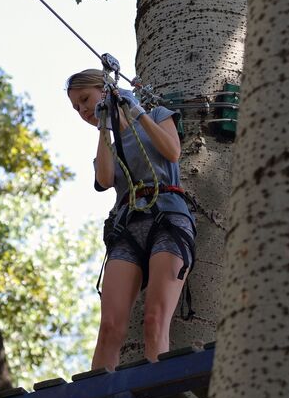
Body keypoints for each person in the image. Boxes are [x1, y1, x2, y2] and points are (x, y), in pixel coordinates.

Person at [66, 69, 196, 371]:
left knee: (154, 319)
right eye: (77, 108)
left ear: (105, 89)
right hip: (128, 226)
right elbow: (104, 178)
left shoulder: (158, 115)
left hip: (168, 218)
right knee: (110, 327)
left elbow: (172, 151)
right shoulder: (108, 148)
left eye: (85, 99)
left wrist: (134, 109)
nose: (83, 110)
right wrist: (104, 128)